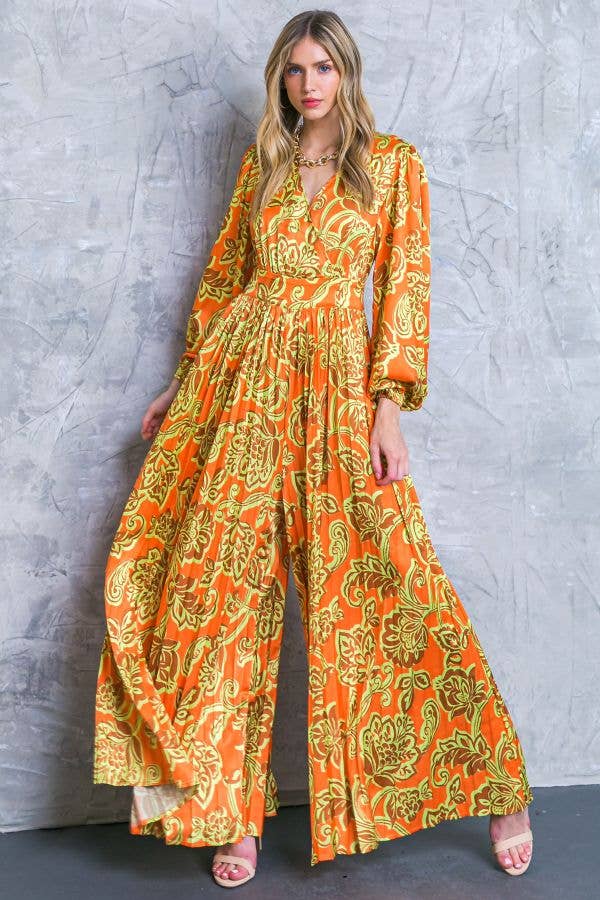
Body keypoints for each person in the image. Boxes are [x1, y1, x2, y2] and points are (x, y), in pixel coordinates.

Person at [93, 9, 534, 888]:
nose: (308, 85)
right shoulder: (264, 166)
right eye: (294, 70)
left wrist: (388, 410)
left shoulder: (393, 165)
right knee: (225, 590)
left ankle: (500, 786)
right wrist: (187, 380)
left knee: (388, 583)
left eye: (322, 67)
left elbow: (405, 289)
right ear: (281, 81)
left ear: (346, 74)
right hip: (242, 386)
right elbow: (227, 280)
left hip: (336, 389)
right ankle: (231, 814)